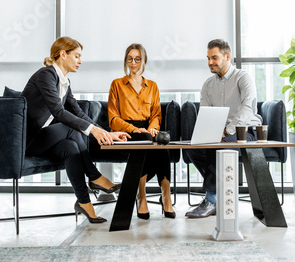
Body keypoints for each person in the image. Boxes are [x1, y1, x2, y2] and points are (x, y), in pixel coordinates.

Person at [22, 36, 130, 224]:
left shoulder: (65, 82)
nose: (80, 61)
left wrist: (105, 132)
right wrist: (94, 132)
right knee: (69, 128)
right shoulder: (45, 75)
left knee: (71, 148)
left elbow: (78, 112)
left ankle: (84, 203)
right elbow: (59, 112)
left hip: (44, 140)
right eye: (77, 56)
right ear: (63, 54)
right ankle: (95, 177)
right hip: (28, 141)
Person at [185, 39, 262, 218]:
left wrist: (227, 130)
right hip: (219, 134)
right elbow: (206, 113)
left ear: (227, 56)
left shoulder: (243, 78)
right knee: (192, 148)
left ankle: (212, 199)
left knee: (215, 144)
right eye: (208, 58)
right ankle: (223, 188)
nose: (210, 62)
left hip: (245, 132)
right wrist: (209, 132)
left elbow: (247, 108)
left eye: (214, 58)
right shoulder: (208, 85)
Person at [108, 43, 176, 219]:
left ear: (144, 61)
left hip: (148, 130)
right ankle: (142, 196)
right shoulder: (117, 84)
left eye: (137, 59)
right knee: (146, 141)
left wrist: (153, 128)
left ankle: (165, 195)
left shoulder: (152, 86)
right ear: (126, 61)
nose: (133, 63)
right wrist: (133, 128)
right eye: (130, 59)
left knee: (162, 143)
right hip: (126, 130)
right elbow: (113, 118)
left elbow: (156, 115)